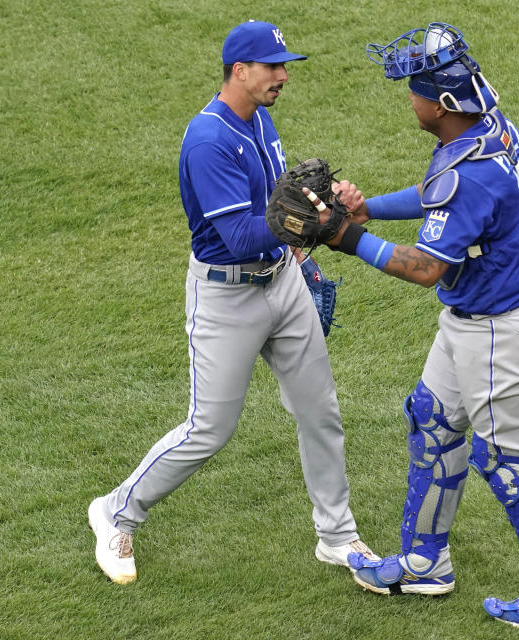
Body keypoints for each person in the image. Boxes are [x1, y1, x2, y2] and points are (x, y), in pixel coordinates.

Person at [310, 23, 519, 628]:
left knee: (514, 467)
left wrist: (346, 236)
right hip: (475, 320)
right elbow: (442, 194)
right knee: (433, 422)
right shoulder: (487, 129)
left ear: (439, 104)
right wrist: (369, 207)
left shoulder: (472, 172)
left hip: (501, 333)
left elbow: (424, 267)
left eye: (412, 90)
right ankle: (423, 562)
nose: (407, 99)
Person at [87, 19, 376, 585]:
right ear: (239, 71)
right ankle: (117, 511)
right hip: (226, 297)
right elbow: (242, 236)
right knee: (209, 428)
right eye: (273, 67)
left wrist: (317, 216)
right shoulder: (208, 141)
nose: (283, 76)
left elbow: (279, 207)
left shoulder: (260, 117)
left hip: (284, 282)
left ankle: (338, 538)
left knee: (321, 411)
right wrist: (313, 223)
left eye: (285, 66)